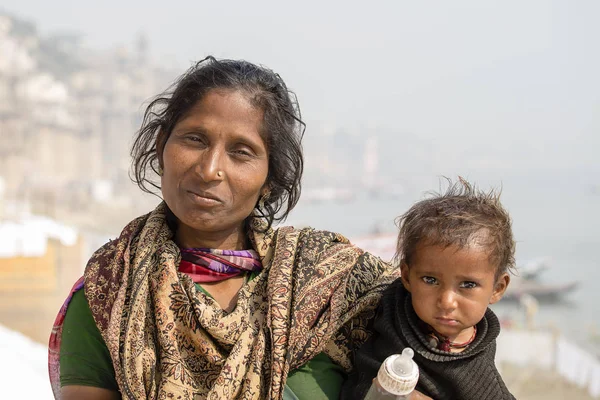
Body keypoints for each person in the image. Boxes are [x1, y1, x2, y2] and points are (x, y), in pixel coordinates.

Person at [47, 56, 405, 400]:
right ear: (161, 148)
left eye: (241, 151)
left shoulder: (332, 286)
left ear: (270, 179)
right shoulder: (110, 292)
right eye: (195, 139)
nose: (209, 169)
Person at [342, 178, 516, 400]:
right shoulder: (392, 318)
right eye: (430, 280)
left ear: (497, 289)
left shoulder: (480, 368)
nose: (446, 301)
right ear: (406, 276)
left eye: (468, 285)